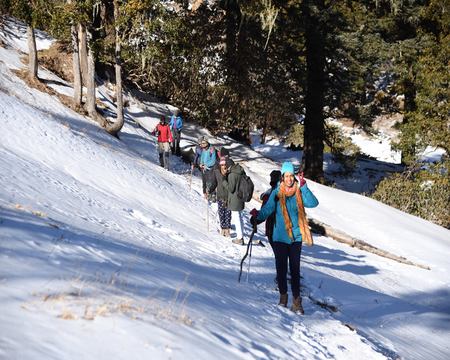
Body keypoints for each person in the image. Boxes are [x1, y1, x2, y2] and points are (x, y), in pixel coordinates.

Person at [250, 161, 318, 314]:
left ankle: (297, 301)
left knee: (295, 270)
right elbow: (268, 209)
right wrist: (257, 218)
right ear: (283, 177)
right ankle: (283, 297)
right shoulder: (277, 192)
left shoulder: (299, 191)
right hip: (279, 237)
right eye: (286, 176)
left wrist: (304, 186)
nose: (289, 179)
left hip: (296, 237)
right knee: (281, 269)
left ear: (294, 177)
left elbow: (313, 203)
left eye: (291, 176)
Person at [222, 157, 246, 245]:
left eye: (226, 166)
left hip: (235, 198)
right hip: (241, 196)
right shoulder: (240, 171)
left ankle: (240, 238)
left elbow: (231, 189)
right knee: (240, 217)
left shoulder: (232, 174)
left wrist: (224, 181)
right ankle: (241, 235)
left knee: (237, 218)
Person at [209, 156, 232, 237]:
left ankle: (227, 229)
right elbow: (214, 183)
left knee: (228, 213)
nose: (223, 166)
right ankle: (223, 228)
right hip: (220, 195)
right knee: (221, 213)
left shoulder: (230, 172)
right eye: (222, 165)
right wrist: (210, 190)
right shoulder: (216, 172)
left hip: (229, 196)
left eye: (224, 164)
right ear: (219, 165)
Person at [259, 170, 282, 249]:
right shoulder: (288, 192)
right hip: (285, 230)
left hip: (272, 228)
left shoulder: (269, 194)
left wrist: (255, 219)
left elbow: (264, 212)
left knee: (279, 256)